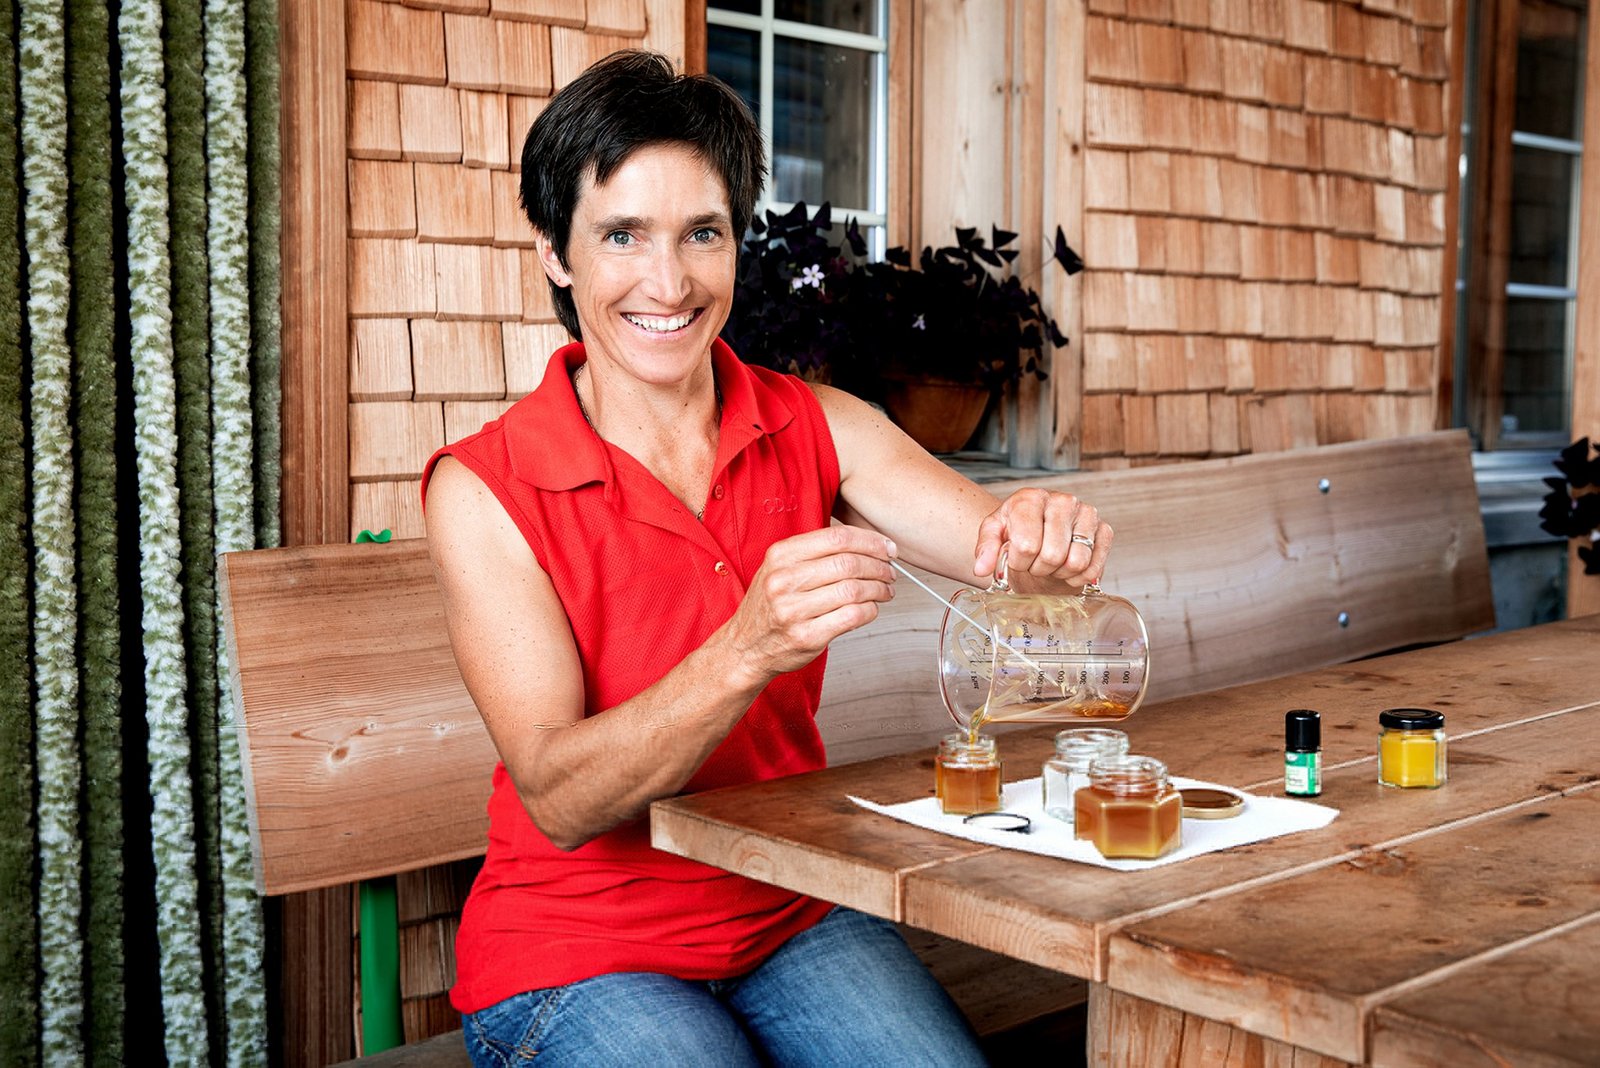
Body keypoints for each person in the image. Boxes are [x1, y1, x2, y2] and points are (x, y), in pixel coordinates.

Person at [422, 50, 1113, 1068]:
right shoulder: (484, 488)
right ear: (556, 255)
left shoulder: (816, 422)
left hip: (790, 907)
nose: (669, 282)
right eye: (622, 235)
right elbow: (563, 801)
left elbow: (1002, 554)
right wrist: (747, 646)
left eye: (701, 233)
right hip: (574, 951)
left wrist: (1053, 541)